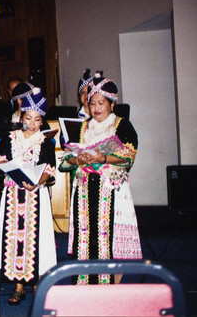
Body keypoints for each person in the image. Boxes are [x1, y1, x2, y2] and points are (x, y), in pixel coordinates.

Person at [58, 72, 142, 285]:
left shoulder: (122, 125)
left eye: (101, 103)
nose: (96, 107)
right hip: (85, 189)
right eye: (92, 102)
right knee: (84, 239)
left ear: (111, 104)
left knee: (109, 239)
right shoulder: (82, 127)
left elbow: (128, 159)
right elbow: (64, 163)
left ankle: (109, 287)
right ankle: (83, 284)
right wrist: (78, 160)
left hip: (110, 190)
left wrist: (102, 157)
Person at [0, 90, 57, 305]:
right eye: (28, 118)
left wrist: (40, 180)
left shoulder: (45, 142)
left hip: (36, 196)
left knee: (37, 238)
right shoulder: (10, 138)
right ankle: (18, 286)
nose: (32, 124)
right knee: (14, 239)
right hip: (13, 195)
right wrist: (3, 166)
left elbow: (50, 169)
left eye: (37, 119)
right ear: (21, 118)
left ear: (42, 121)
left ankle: (38, 284)